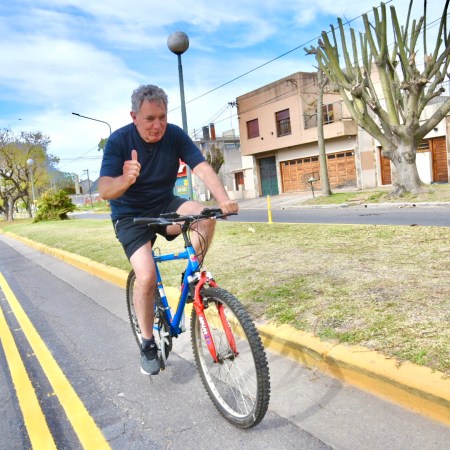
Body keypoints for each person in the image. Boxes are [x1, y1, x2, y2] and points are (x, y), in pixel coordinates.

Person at [99, 84, 239, 376]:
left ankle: (191, 279)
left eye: (162, 117)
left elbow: (201, 166)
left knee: (205, 216)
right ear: (134, 117)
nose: (158, 125)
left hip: (164, 204)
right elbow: (105, 190)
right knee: (146, 276)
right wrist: (126, 179)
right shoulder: (119, 141)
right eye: (150, 119)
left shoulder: (174, 135)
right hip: (130, 215)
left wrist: (223, 199)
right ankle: (148, 343)